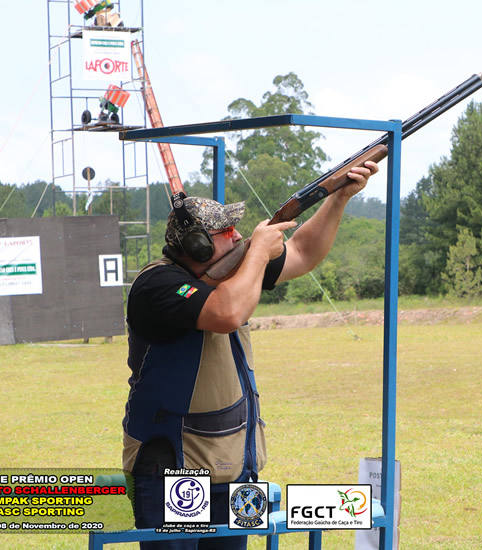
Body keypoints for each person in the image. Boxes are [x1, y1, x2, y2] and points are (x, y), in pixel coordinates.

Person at [122, 160, 379, 549]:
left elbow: (302, 253)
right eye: (227, 231)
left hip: (237, 466)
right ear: (198, 245)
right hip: (178, 469)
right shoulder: (157, 284)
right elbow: (226, 313)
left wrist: (339, 198)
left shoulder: (233, 274)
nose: (239, 235)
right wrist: (257, 252)